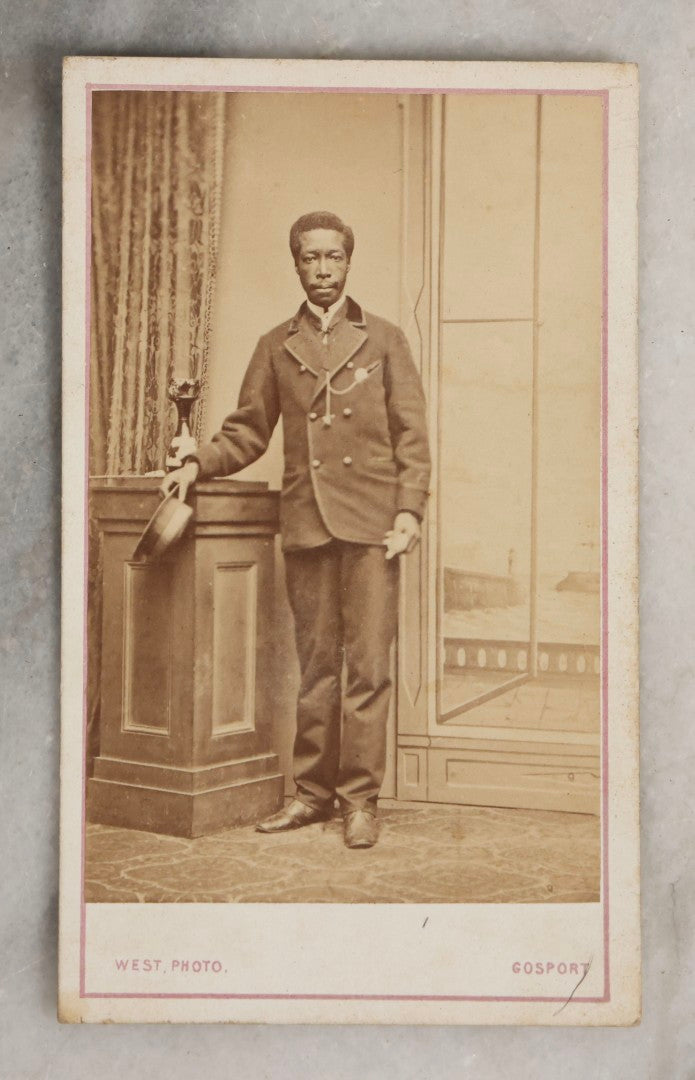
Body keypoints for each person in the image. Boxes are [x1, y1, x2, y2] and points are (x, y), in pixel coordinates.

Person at [161, 211, 431, 848]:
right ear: (297, 265)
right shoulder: (275, 345)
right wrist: (197, 463)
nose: (323, 269)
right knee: (317, 669)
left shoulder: (385, 339)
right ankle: (312, 795)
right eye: (311, 258)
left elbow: (412, 436)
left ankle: (359, 800)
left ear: (348, 262)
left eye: (333, 257)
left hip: (372, 526)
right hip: (308, 523)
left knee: (368, 668)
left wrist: (409, 511)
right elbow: (247, 432)